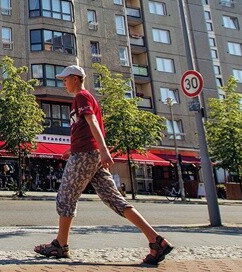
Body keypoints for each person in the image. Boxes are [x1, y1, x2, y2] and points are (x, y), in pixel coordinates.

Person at [33, 65, 173, 265]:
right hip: (89, 154)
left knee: (65, 197)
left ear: (75, 78)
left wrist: (104, 150)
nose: (63, 82)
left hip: (86, 155)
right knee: (114, 200)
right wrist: (74, 149)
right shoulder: (84, 98)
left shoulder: (81, 96)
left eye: (65, 79)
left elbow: (93, 123)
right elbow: (85, 129)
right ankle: (156, 241)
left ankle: (60, 245)